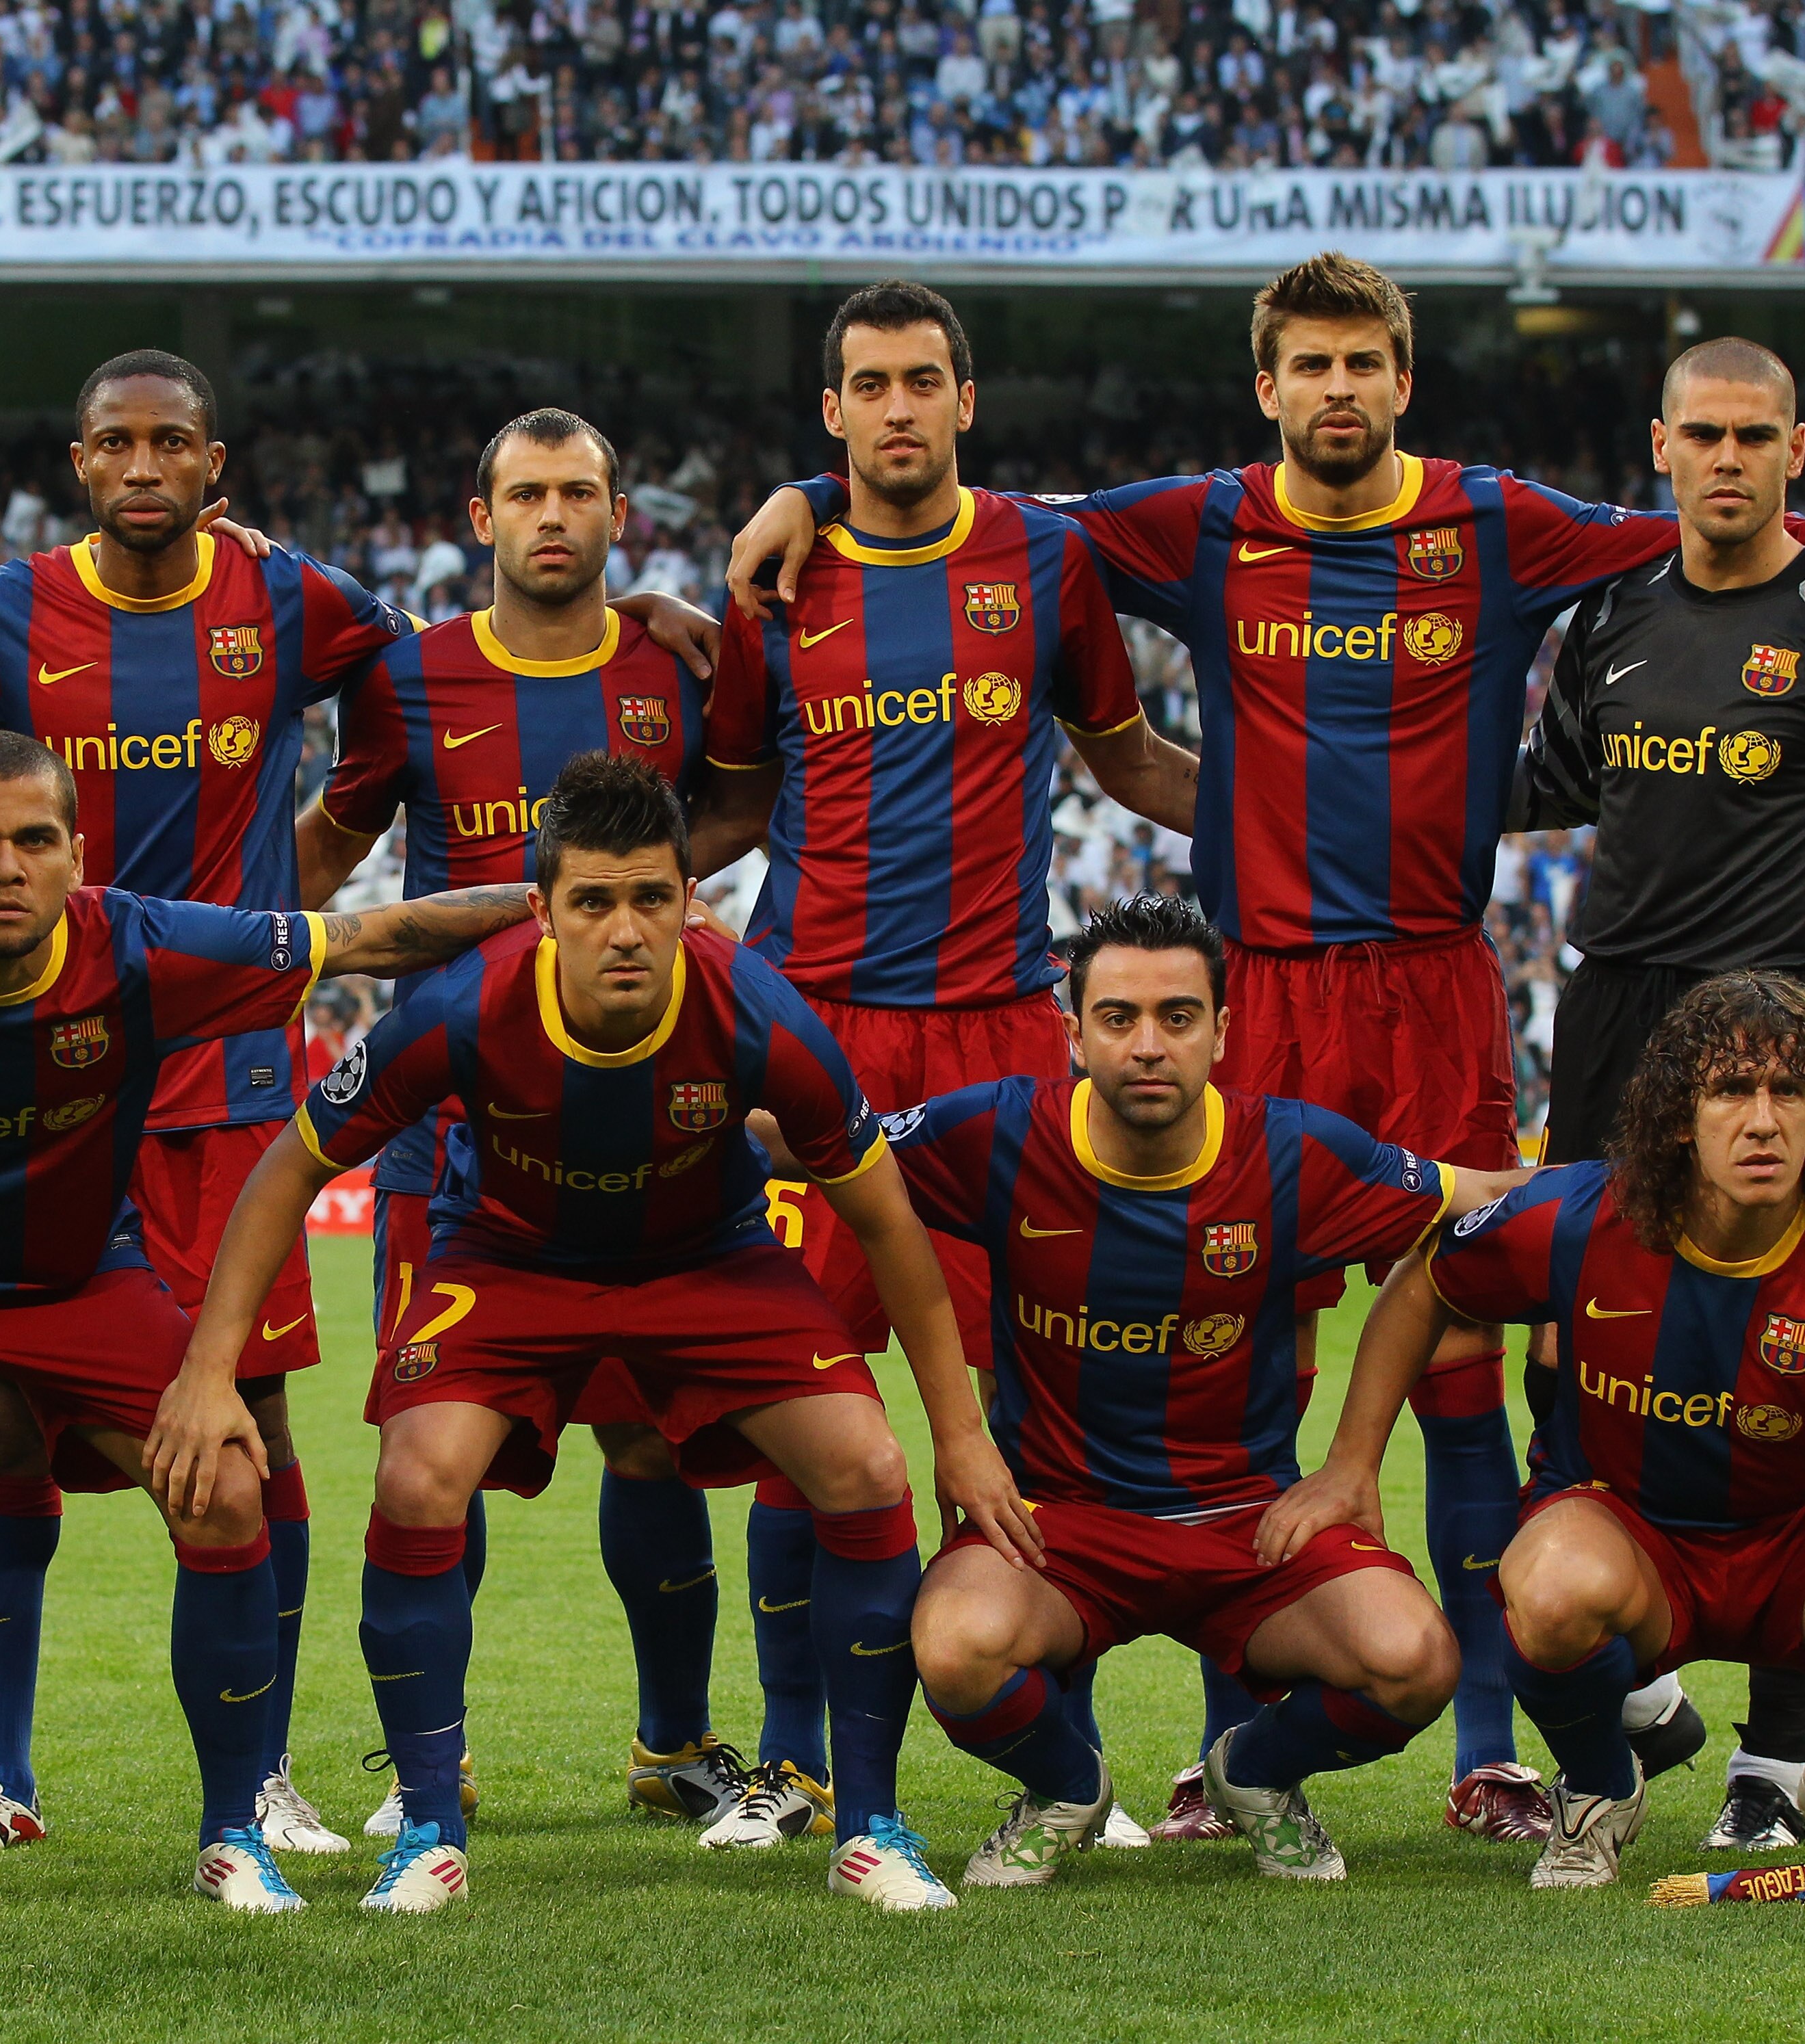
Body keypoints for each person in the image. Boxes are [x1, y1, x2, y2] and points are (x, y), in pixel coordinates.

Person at [724, 252, 1805, 1844]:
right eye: (1309, 363)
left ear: (1400, 381)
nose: (1338, 388)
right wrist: (810, 490)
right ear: (1267, 386)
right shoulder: (1195, 522)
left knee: (1458, 1361)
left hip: (1432, 987)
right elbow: (965, 511)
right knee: (1234, 1353)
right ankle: (1228, 1745)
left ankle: (1487, 1749)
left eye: (1363, 360)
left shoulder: (1495, 523)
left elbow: (1708, 521)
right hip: (1264, 996)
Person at [0, 352, 723, 1860]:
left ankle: (260, 1775)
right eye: (116, 443)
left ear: (217, 467)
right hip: (45, 1071)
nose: (142, 466)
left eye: (171, 444)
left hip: (228, 1079)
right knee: (10, 1410)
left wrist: (640, 619)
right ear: (78, 461)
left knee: (254, 1415)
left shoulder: (294, 604)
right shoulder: (3, 615)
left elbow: (455, 658)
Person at [157, 752, 1036, 1915]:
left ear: (692, 901)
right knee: (420, 1475)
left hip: (706, 1260)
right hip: (511, 1262)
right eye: (593, 902)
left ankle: (869, 1827)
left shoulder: (758, 1009)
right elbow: (290, 1169)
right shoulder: (466, 1005)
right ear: (542, 911)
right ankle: (428, 1828)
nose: (626, 931)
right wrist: (212, 1369)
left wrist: (960, 1436)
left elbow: (891, 1225)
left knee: (866, 1465)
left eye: (652, 900)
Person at [0, 731, 538, 1918]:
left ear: (76, 853)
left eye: (36, 841)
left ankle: (234, 1831)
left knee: (230, 1484)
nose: (6, 867)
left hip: (76, 1280)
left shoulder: (139, 944)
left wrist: (557, 905)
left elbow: (374, 936)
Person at [692, 279, 1199, 1848]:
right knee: (806, 1408)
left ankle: (1072, 1759)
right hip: (814, 1039)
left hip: (995, 1041)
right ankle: (792, 1766)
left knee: (1046, 1417)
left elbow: (1122, 760)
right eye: (867, 385)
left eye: (924, 381)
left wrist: (1294, 841)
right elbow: (716, 810)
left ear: (963, 402)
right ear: (829, 413)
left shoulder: (1046, 561)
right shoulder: (772, 587)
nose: (898, 408)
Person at [1269, 971, 1805, 1896]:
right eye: (1731, 1091)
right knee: (1550, 1590)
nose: (1763, 1121)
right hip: (1627, 1537)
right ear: (1682, 1116)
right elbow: (1430, 1280)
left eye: (1787, 1092)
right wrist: (1354, 1461)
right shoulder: (1582, 1217)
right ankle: (1600, 1786)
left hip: (1794, 1547)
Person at [1514, 335, 1805, 1856]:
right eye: (1698, 435)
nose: (1723, 459)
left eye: (1751, 436)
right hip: (1618, 1011)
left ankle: (1781, 1754)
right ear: (1657, 447)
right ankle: (1625, 1697)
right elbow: (1540, 786)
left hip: (1793, 1022)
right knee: (1565, 1334)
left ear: (1797, 450)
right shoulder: (1606, 616)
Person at [298, 406, 762, 1837]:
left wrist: (625, 895)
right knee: (433, 1447)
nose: (550, 516)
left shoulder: (674, 666)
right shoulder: (407, 676)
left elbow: (740, 806)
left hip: (633, 1121)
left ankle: (671, 1742)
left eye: (577, 492)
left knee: (647, 1440)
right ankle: (422, 1764)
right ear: (478, 512)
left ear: (619, 511)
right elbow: (326, 840)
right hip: (453, 1127)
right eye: (524, 494)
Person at [889, 895, 1506, 1885]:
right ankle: (1063, 1786)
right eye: (1119, 1018)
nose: (1147, 1045)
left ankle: (1252, 1773)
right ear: (1073, 1030)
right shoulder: (996, 1131)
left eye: (1177, 1017)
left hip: (1245, 1524)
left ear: (1222, 1032)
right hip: (1059, 1525)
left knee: (1412, 1662)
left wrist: (1351, 1462)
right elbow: (827, 1150)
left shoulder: (1293, 1150)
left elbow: (1472, 1207)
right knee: (954, 1648)